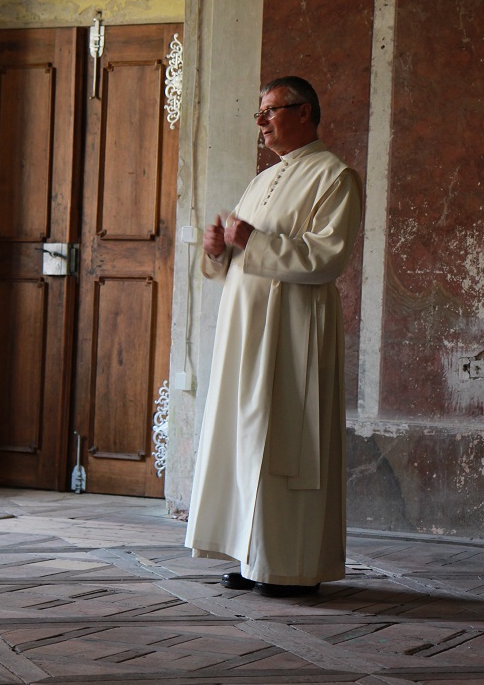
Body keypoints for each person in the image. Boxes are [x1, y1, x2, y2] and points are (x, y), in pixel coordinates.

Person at [184, 76, 363, 598]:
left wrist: (253, 241)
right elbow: (239, 255)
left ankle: (290, 566)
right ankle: (251, 556)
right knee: (244, 439)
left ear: (304, 113)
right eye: (259, 113)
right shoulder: (262, 179)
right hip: (246, 331)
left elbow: (328, 257)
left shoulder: (335, 176)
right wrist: (219, 251)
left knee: (285, 442)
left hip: (294, 330)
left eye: (271, 110)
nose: (261, 122)